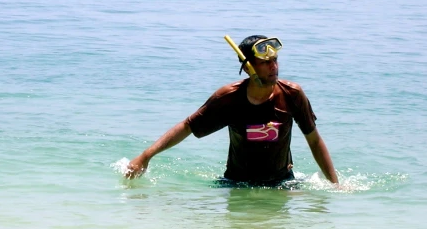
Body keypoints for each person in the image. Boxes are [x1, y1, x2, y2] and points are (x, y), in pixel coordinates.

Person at [125, 35, 340, 187]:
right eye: (265, 62)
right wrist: (145, 156)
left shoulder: (292, 94)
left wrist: (335, 185)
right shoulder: (229, 98)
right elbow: (187, 126)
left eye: (275, 60)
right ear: (248, 67)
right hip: (236, 185)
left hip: (281, 184)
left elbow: (314, 140)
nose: (273, 67)